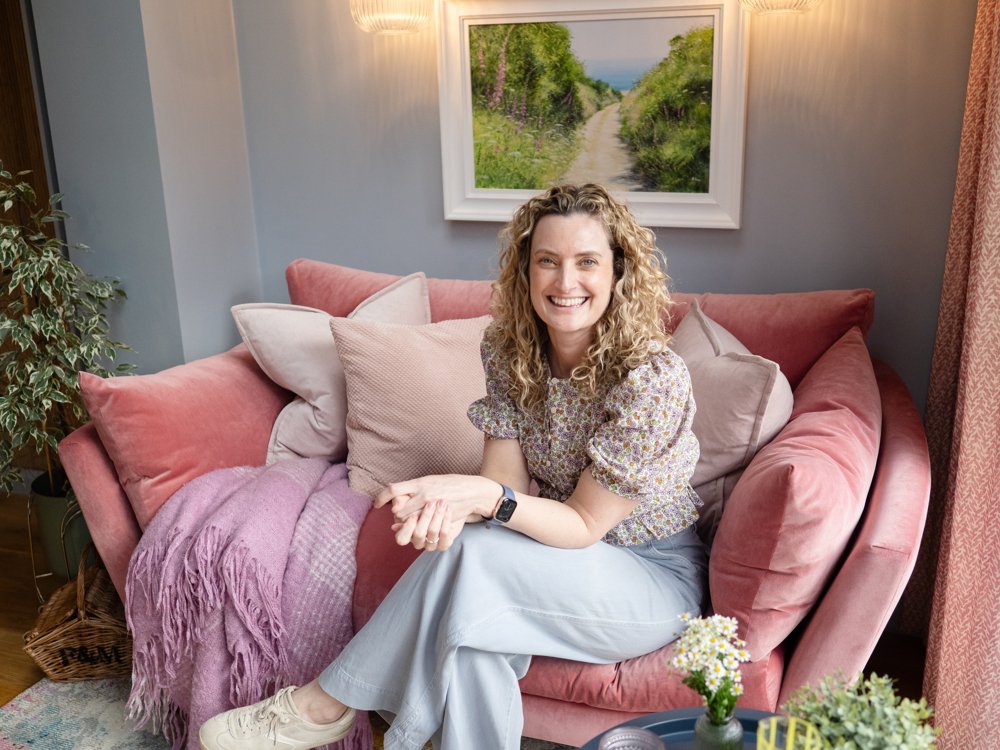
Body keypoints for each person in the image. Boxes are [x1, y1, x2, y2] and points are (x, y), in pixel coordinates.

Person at [198, 183, 707, 750]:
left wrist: (482, 501)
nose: (566, 283)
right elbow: (504, 488)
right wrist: (449, 504)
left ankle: (324, 704)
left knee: (470, 562)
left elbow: (582, 524)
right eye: (548, 262)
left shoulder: (650, 380)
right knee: (471, 633)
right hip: (556, 557)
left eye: (587, 262)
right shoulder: (510, 352)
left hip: (649, 576)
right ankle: (327, 710)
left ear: (618, 273)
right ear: (525, 272)